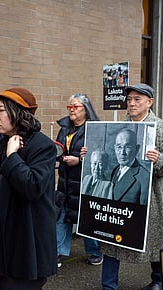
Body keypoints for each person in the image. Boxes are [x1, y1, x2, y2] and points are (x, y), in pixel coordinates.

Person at [92, 83, 163, 290]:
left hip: (151, 198)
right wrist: (89, 155)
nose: (132, 103)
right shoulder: (120, 127)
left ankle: (158, 280)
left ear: (150, 102)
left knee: (152, 240)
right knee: (111, 239)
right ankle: (109, 287)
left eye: (137, 99)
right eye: (129, 99)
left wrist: (159, 160)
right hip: (118, 198)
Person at [0, 88, 57, 290]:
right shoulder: (2, 143)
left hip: (29, 240)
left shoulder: (42, 146)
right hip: (9, 237)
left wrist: (13, 156)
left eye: (2, 111)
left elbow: (32, 186)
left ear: (19, 113)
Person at [55, 93, 103, 267]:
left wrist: (80, 160)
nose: (72, 110)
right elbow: (59, 148)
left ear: (86, 109)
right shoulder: (65, 128)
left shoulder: (94, 129)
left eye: (76, 107)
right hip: (66, 181)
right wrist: (59, 156)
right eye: (70, 107)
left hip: (86, 182)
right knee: (61, 215)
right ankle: (58, 252)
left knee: (87, 219)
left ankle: (95, 252)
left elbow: (100, 155)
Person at [110, 128, 150, 205]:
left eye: (128, 147)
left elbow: (143, 212)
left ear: (137, 149)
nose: (122, 152)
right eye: (119, 147)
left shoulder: (144, 177)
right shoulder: (115, 170)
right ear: (115, 148)